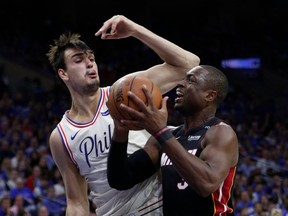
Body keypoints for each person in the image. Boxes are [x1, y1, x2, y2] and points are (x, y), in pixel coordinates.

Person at [47, 15, 200, 216]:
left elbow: (189, 66)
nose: (90, 64)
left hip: (161, 207)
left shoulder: (125, 91)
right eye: (79, 60)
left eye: (91, 58)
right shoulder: (61, 137)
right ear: (63, 74)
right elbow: (77, 203)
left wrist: (136, 29)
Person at [107, 65, 239, 215]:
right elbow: (120, 179)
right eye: (183, 79)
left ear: (209, 95)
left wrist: (160, 131)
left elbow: (206, 184)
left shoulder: (220, 132)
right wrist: (120, 131)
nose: (180, 83)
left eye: (191, 80)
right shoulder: (167, 136)